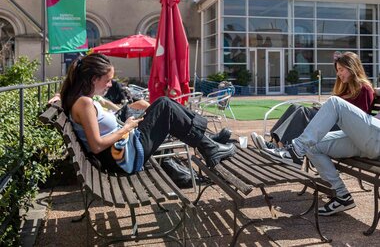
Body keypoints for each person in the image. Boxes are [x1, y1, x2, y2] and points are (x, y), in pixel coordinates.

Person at [59, 53, 236, 173]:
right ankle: (209, 145)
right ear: (93, 79)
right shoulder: (84, 103)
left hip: (121, 152)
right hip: (122, 158)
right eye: (108, 80)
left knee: (163, 104)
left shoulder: (81, 100)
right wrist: (125, 128)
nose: (111, 85)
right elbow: (97, 145)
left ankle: (208, 143)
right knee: (165, 105)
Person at [277, 95, 380, 216]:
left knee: (335, 103)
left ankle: (295, 151)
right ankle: (342, 195)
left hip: (375, 137)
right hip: (371, 135)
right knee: (312, 146)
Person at [252, 51, 374, 149]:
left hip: (343, 130)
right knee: (295, 107)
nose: (338, 74)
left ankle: (284, 147)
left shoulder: (364, 89)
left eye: (341, 69)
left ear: (352, 68)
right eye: (337, 70)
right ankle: (274, 141)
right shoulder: (346, 89)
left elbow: (361, 120)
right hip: (330, 123)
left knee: (303, 112)